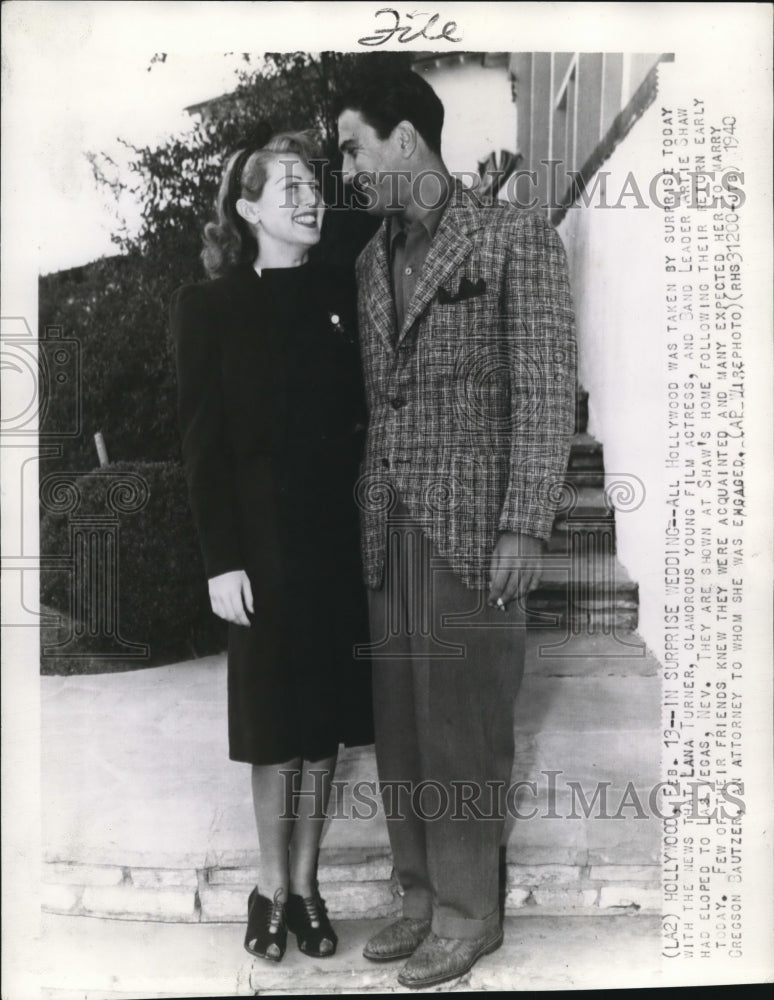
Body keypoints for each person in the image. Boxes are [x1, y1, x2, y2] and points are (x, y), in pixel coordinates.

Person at [335, 72, 577, 989]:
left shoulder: (513, 235)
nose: (348, 169)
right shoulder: (367, 263)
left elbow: (547, 388)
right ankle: (417, 895)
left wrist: (525, 524)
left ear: (406, 139)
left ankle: (473, 912)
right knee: (398, 722)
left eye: (355, 147)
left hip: (475, 528)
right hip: (386, 517)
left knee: (463, 723)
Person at [170, 130, 372, 964]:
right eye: (286, 186)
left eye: (312, 183)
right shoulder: (207, 306)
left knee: (322, 728)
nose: (308, 196)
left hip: (333, 541)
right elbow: (202, 445)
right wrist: (221, 560)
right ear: (247, 209)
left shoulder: (343, 291)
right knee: (273, 727)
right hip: (256, 550)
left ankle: (308, 885)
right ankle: (268, 884)